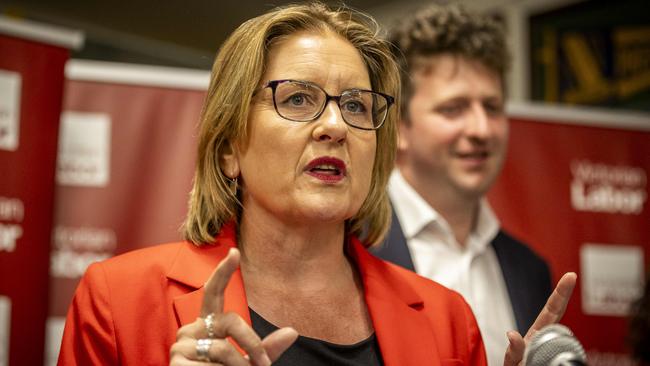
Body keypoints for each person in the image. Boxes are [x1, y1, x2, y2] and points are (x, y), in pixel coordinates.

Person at [58, 2, 574, 365]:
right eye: (298, 98)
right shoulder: (119, 300)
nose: (335, 126)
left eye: (355, 105)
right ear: (229, 147)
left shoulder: (447, 318)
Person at [371, 4, 560, 366]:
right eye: (453, 108)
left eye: (491, 107)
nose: (481, 130)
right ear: (399, 127)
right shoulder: (346, 244)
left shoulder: (530, 269)